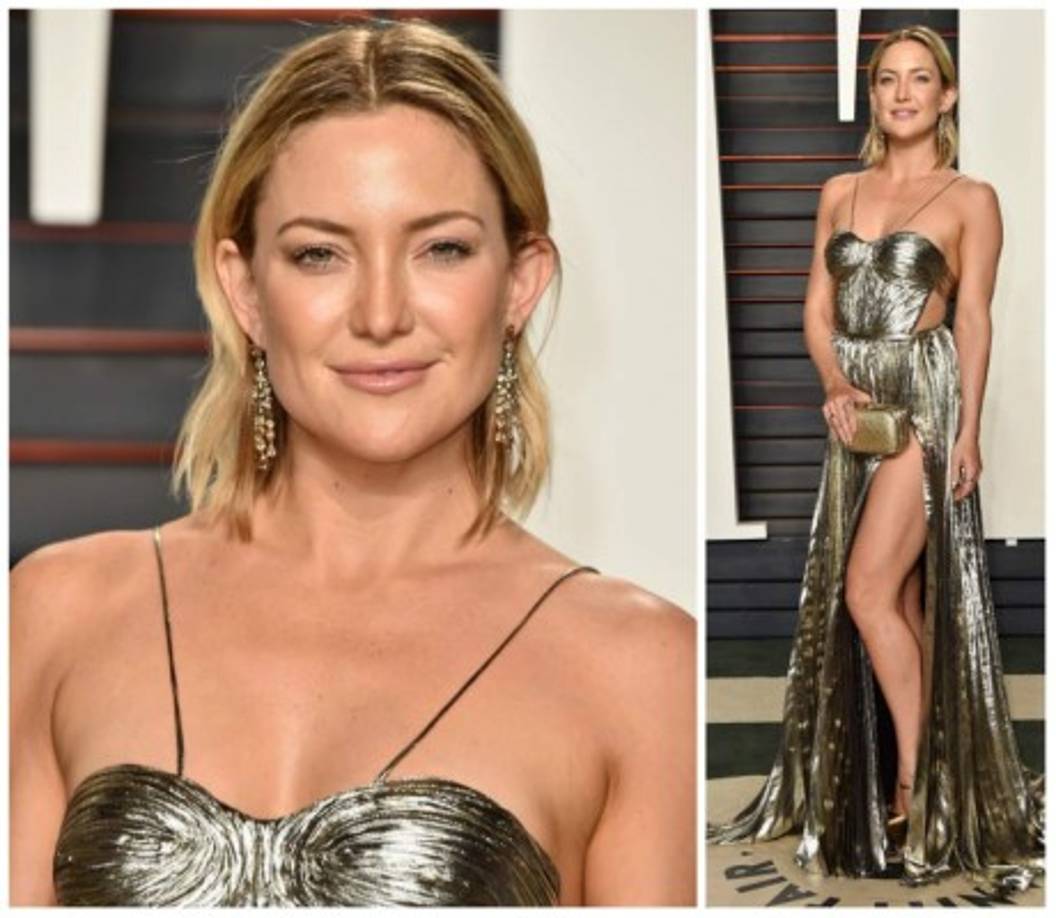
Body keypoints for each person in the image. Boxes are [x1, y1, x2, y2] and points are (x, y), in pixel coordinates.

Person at [11, 20, 695, 906]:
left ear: (520, 281)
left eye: (440, 247)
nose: (380, 313)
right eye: (319, 254)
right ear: (247, 288)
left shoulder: (639, 668)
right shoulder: (58, 611)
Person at [707, 24, 1043, 894]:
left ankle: (916, 781)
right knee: (892, 594)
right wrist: (832, 382)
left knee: (866, 590)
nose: (902, 93)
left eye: (920, 79)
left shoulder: (972, 197)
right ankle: (937, 761)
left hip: (923, 406)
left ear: (947, 96)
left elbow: (972, 320)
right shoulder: (838, 189)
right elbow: (816, 310)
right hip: (855, 412)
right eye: (888, 79)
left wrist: (965, 432)